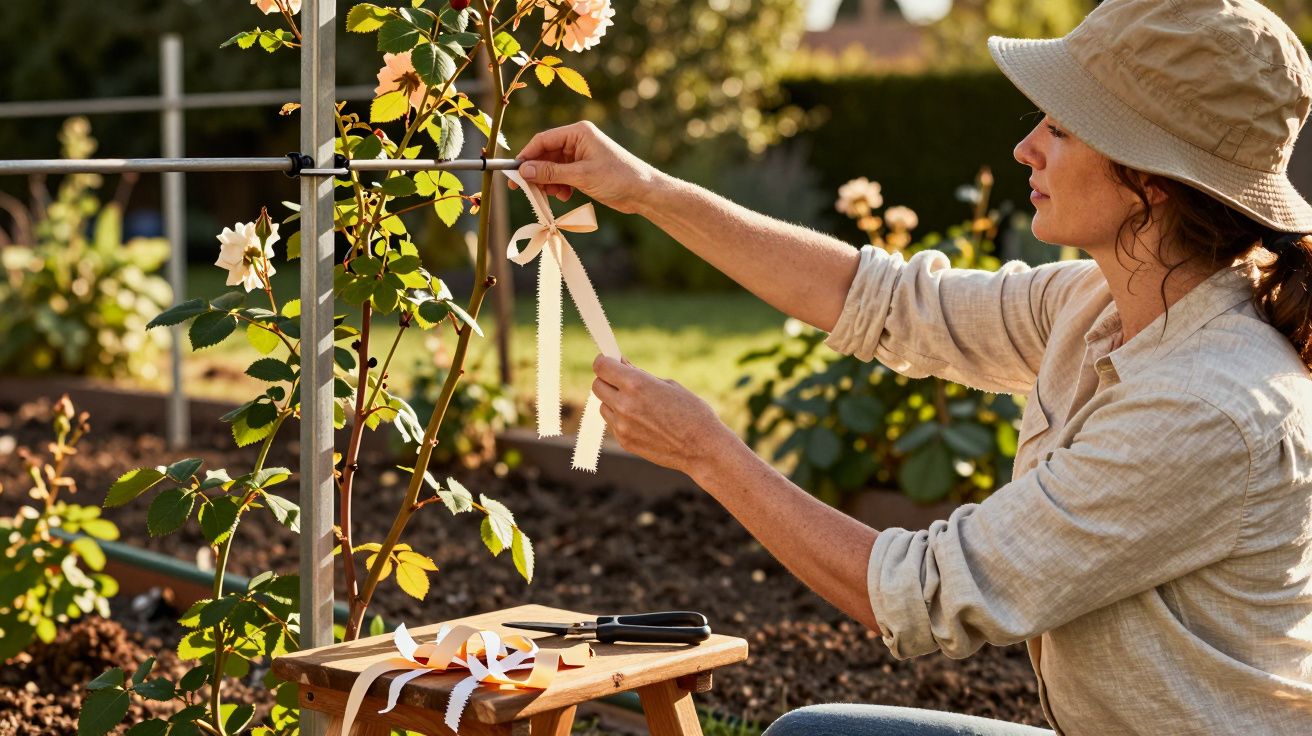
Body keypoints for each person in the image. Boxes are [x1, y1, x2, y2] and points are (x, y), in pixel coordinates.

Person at [508, 0, 1312, 733]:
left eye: (1062, 128)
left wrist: (704, 452)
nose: (1025, 145)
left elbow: (920, 594)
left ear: (1151, 184)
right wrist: (646, 190)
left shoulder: (1208, 407)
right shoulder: (1103, 306)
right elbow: (885, 301)